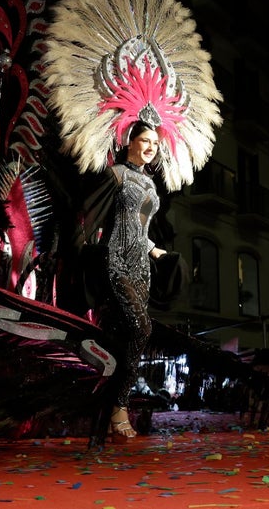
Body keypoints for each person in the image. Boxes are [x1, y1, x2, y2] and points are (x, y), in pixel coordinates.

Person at [90, 120, 169, 441]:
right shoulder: (115, 175)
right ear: (130, 141)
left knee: (127, 339)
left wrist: (154, 250)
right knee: (142, 329)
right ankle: (118, 407)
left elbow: (141, 227)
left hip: (141, 267)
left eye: (155, 143)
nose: (151, 147)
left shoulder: (150, 184)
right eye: (146, 141)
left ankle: (105, 411)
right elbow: (91, 216)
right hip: (116, 260)